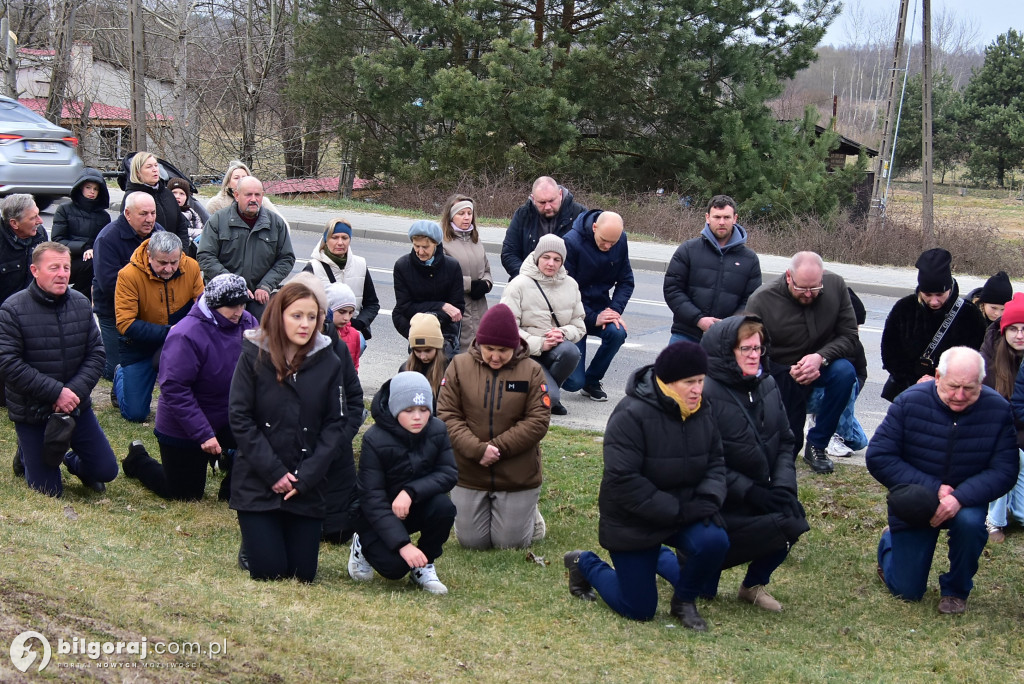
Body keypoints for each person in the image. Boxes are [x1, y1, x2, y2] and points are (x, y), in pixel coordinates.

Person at [563, 342, 729, 631]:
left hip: (681, 512)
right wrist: (679, 510)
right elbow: (623, 480)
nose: (697, 389)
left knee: (715, 543)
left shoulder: (703, 409)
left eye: (701, 381)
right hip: (633, 518)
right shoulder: (631, 414)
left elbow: (716, 461)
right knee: (638, 609)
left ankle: (683, 602)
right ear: (667, 382)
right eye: (689, 382)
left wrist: (709, 498)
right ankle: (584, 563)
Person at [868, 347, 1019, 614]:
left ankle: (956, 590)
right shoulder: (909, 402)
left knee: (971, 524)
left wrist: (958, 498)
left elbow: (1004, 470)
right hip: (917, 498)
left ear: (981, 383)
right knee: (907, 591)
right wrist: (934, 488)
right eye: (953, 386)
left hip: (967, 499)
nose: (960, 396)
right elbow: (879, 456)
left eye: (969, 389)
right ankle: (889, 543)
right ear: (937, 376)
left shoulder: (998, 410)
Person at [228, 281, 347, 582]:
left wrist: (308, 476)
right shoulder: (253, 355)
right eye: (296, 316)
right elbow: (240, 417)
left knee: (301, 575)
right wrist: (274, 473)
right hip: (258, 481)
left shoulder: (329, 361)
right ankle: (255, 544)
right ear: (278, 315)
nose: (305, 324)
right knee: (269, 572)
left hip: (306, 485)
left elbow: (336, 424)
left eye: (312, 316)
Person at [697, 315, 809, 611]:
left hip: (757, 492)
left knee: (793, 518)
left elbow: (786, 440)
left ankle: (753, 585)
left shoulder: (768, 383)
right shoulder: (704, 392)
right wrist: (751, 491)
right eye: (745, 349)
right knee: (702, 590)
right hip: (715, 501)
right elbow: (704, 460)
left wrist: (783, 487)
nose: (754, 355)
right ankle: (689, 561)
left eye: (758, 348)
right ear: (726, 350)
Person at [121, 274, 258, 501]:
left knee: (264, 438)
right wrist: (203, 433)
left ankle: (231, 486)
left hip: (230, 414)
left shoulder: (249, 323)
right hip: (184, 424)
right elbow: (175, 390)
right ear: (214, 305)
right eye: (232, 306)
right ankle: (138, 459)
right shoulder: (186, 333)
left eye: (243, 304)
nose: (239, 311)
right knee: (185, 494)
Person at [0, 242, 118, 496]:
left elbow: (96, 354)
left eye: (66, 267)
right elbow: (8, 363)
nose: (63, 273)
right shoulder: (12, 309)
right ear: (34, 270)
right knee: (48, 490)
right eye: (54, 267)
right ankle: (26, 452)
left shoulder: (80, 303)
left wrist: (71, 393)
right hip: (33, 410)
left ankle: (71, 460)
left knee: (106, 471)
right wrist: (55, 393)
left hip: (75, 405)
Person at [436, 304, 551, 550]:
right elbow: (447, 415)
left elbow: (538, 420)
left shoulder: (531, 371)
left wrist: (497, 448)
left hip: (516, 473)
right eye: (489, 349)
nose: (495, 356)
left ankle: (532, 517)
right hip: (469, 470)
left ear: (515, 346)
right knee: (472, 542)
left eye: (503, 350)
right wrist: (478, 450)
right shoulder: (458, 365)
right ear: (479, 344)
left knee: (508, 543)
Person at [745, 251, 860, 474]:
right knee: (789, 441)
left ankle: (817, 445)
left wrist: (820, 358)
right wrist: (788, 370)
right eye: (802, 288)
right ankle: (785, 449)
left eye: (815, 288)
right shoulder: (761, 300)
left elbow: (849, 336)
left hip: (823, 364)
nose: (808, 294)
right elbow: (750, 350)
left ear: (822, 277)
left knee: (846, 373)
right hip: (781, 369)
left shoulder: (836, 286)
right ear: (789, 276)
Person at [348, 371, 458, 594]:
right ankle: (362, 544)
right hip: (374, 515)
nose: (417, 416)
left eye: (424, 409)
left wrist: (410, 492)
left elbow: (448, 472)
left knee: (444, 508)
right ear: (395, 408)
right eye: (409, 410)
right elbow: (372, 498)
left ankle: (424, 565)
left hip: (412, 507)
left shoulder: (437, 429)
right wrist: (403, 545)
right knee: (395, 568)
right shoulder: (374, 439)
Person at [113, 231, 204, 422]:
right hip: (139, 345)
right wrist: (170, 332)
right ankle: (120, 375)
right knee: (135, 414)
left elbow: (202, 308)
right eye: (162, 263)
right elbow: (125, 323)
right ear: (149, 256)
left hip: (177, 342)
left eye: (174, 262)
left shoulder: (192, 267)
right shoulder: (128, 275)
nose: (169, 268)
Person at [880, 248, 987, 402]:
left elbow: (975, 360)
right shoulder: (904, 309)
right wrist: (914, 380)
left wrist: (941, 381)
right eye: (928, 295)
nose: (934, 301)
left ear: (949, 288)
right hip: (909, 392)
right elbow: (890, 354)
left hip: (952, 396)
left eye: (939, 295)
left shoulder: (970, 315)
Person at [500, 234, 586, 415]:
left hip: (554, 351)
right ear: (537, 257)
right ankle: (542, 395)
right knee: (551, 400)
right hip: (525, 352)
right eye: (546, 257)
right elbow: (506, 329)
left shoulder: (571, 285)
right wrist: (538, 343)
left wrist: (562, 333)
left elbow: (579, 325)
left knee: (570, 351)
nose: (551, 263)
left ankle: (542, 392)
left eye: (557, 259)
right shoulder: (518, 285)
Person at [663, 195, 761, 344]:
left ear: (735, 218)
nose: (722, 222)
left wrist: (728, 326)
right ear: (708, 218)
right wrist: (699, 319)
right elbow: (673, 290)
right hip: (686, 333)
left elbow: (751, 301)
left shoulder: (750, 259)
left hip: (728, 339)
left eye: (726, 217)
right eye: (717, 217)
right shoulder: (688, 249)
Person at [197, 176, 295, 321]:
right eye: (248, 194)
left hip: (258, 295)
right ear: (236, 195)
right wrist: (232, 284)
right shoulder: (218, 221)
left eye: (258, 195)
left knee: (264, 334)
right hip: (224, 294)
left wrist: (266, 285)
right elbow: (205, 256)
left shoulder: (276, 223)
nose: (253, 199)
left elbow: (286, 258)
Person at [562, 210, 633, 402]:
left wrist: (614, 311)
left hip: (602, 308)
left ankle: (592, 380)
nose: (608, 246)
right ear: (594, 227)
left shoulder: (620, 241)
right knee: (572, 383)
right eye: (604, 240)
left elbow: (626, 281)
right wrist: (593, 317)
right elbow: (566, 292)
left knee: (617, 332)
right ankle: (552, 373)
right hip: (573, 315)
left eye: (613, 242)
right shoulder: (571, 242)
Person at [92, 192, 163, 381]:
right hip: (114, 312)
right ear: (127, 213)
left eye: (153, 213)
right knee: (114, 370)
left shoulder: (159, 233)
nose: (150, 219)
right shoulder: (107, 239)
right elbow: (109, 285)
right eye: (143, 214)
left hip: (152, 309)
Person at [391, 220, 465, 354]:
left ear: (436, 244)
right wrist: (442, 306)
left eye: (425, 247)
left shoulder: (452, 266)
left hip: (445, 328)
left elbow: (457, 308)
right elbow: (405, 306)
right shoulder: (402, 266)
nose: (420, 251)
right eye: (416, 246)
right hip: (413, 324)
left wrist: (433, 316)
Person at [302, 218, 380, 343]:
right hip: (321, 334)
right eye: (335, 237)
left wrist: (358, 324)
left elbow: (372, 304)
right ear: (326, 239)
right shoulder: (313, 267)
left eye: (345, 238)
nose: (340, 242)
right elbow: (300, 304)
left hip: (353, 332)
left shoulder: (360, 264)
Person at [501, 176, 586, 278]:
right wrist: (528, 278)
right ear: (533, 199)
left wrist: (564, 282)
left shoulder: (580, 215)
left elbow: (587, 257)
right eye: (542, 202)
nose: (548, 207)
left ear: (560, 194)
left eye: (551, 201)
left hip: (565, 284)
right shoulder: (523, 215)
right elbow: (509, 253)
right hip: (528, 283)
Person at [989, 293, 1024, 542]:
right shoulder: (989, 361)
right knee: (1011, 453)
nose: (1019, 335)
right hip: (996, 434)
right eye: (1013, 328)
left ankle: (1017, 510)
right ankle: (995, 521)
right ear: (1004, 331)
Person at [441, 194, 492, 350]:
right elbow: (443, 276)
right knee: (461, 354)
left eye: (469, 213)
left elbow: (487, 269)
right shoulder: (443, 243)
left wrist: (486, 284)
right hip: (459, 307)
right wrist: (470, 285)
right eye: (461, 213)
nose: (466, 218)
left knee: (481, 349)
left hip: (480, 307)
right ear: (451, 216)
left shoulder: (475, 240)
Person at [50, 169, 111, 300]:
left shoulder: (103, 217)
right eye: (88, 187)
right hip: (66, 258)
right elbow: (57, 240)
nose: (92, 192)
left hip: (91, 259)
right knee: (89, 264)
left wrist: (94, 250)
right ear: (80, 188)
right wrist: (84, 248)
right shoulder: (65, 209)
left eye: (96, 189)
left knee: (95, 264)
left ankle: (80, 300)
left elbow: (104, 242)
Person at [122, 152, 190, 245]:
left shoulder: (168, 194)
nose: (155, 170)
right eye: (149, 167)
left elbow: (181, 226)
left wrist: (182, 252)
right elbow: (127, 233)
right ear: (138, 172)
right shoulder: (131, 198)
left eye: (156, 165)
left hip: (175, 254)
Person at [205, 160, 287, 225]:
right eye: (236, 178)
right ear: (228, 182)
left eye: (244, 177)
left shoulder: (262, 201)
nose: (241, 180)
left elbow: (283, 226)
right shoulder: (215, 205)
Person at [0, 194, 47, 306]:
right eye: (33, 218)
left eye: (38, 214)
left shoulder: (40, 234)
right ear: (14, 223)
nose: (40, 221)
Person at [400, 313, 449, 406]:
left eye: (428, 350)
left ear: (438, 348)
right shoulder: (405, 369)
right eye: (417, 351)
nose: (423, 356)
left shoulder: (449, 369)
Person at [326, 282, 361, 371]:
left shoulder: (354, 334)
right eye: (342, 312)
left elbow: (355, 365)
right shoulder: (319, 333)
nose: (346, 318)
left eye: (350, 313)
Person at [167, 177, 203, 258]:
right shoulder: (168, 212)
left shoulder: (191, 212)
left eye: (181, 194)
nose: (177, 196)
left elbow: (200, 226)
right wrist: (200, 232)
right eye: (174, 193)